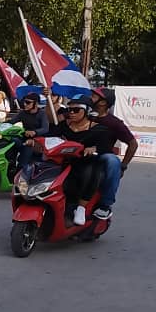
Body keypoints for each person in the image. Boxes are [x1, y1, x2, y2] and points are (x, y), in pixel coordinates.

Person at [36, 95, 114, 225]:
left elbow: (105, 147)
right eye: (69, 110)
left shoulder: (100, 129)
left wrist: (93, 148)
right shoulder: (63, 126)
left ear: (87, 111)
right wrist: (35, 142)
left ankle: (81, 207)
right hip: (62, 162)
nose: (71, 113)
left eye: (76, 110)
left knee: (90, 171)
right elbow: (49, 137)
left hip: (84, 163)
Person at [90, 87, 137, 219]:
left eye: (94, 96)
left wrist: (123, 166)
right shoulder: (82, 115)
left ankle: (105, 205)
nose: (90, 97)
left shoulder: (114, 123)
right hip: (79, 153)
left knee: (113, 161)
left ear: (103, 102)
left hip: (100, 156)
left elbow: (133, 144)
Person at [8, 92, 49, 167]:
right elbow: (11, 122)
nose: (25, 104)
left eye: (28, 102)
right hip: (23, 138)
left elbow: (45, 128)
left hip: (36, 142)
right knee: (11, 141)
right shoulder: (22, 113)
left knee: (25, 156)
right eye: (24, 102)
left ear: (36, 104)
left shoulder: (42, 114)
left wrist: (35, 132)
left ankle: (21, 170)